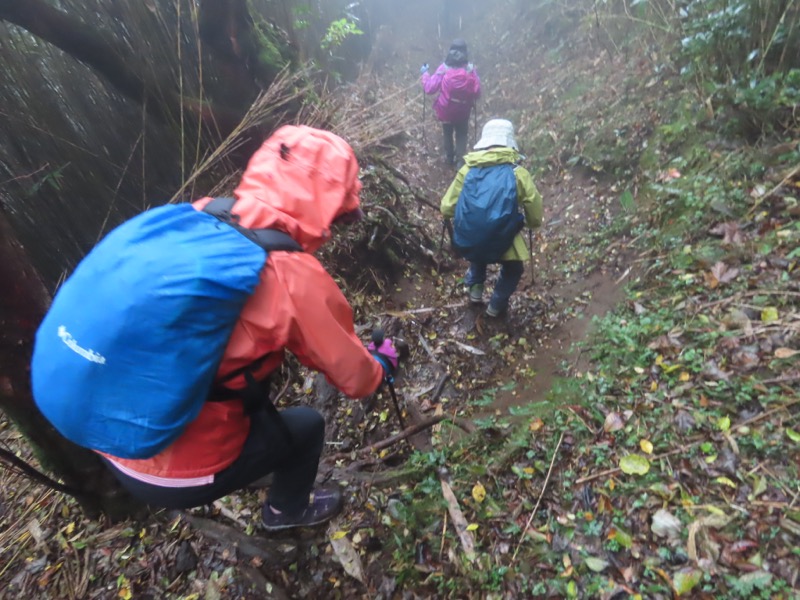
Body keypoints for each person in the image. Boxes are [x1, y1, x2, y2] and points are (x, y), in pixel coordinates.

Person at [100, 125, 400, 531]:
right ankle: (284, 513)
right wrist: (381, 364)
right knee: (307, 427)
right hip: (173, 470)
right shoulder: (289, 274)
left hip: (109, 435)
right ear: (326, 207)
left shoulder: (197, 214)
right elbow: (355, 377)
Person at [440, 118, 543, 317]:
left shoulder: (467, 170)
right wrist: (532, 222)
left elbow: (446, 206)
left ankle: (475, 292)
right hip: (506, 236)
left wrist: (464, 218)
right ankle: (496, 306)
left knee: (479, 250)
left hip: (473, 238)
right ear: (509, 142)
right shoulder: (518, 174)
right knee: (514, 269)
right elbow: (533, 203)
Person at [420, 39, 481, 168]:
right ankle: (460, 161)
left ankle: (449, 159)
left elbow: (429, 88)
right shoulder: (470, 69)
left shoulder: (444, 68)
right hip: (463, 110)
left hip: (446, 109)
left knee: (447, 132)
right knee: (462, 133)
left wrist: (425, 73)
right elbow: (477, 91)